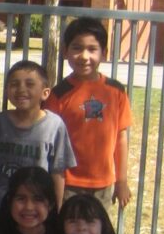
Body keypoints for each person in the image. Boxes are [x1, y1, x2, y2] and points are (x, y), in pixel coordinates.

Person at [45, 17, 133, 211]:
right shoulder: (58, 95)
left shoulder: (116, 91)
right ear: (65, 51)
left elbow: (121, 138)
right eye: (77, 48)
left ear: (104, 53)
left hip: (103, 185)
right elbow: (49, 143)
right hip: (67, 184)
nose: (84, 56)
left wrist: (122, 181)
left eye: (92, 49)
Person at [0, 60, 75, 208]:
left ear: (45, 93)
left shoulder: (54, 125)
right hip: (0, 204)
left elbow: (58, 171)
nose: (21, 89)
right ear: (6, 90)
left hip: (35, 206)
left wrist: (56, 208)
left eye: (30, 84)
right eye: (14, 84)